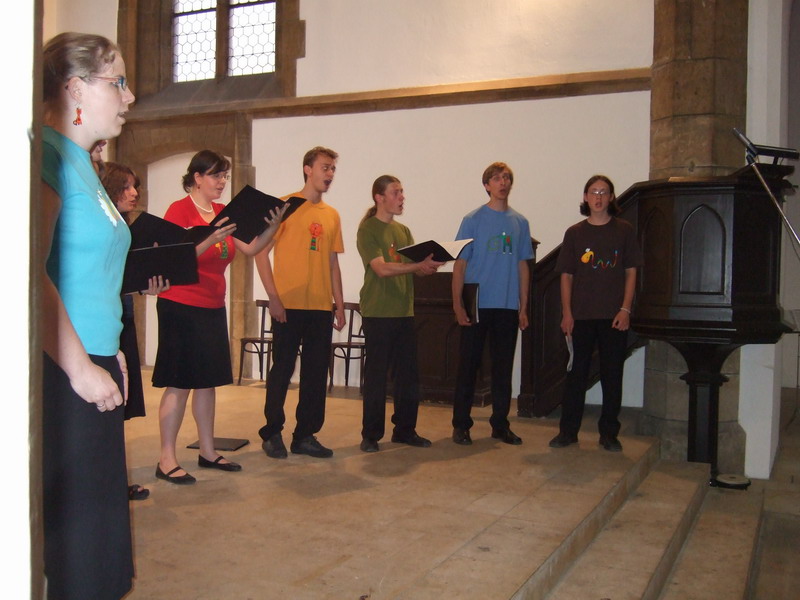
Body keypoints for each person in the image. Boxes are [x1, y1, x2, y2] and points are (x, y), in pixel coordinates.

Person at [41, 31, 146, 599]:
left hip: (93, 359)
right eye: (118, 82)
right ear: (76, 88)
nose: (129, 97)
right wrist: (81, 366)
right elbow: (27, 275)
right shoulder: (48, 156)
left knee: (101, 534)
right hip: (63, 371)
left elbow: (93, 273)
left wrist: (112, 355)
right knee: (79, 541)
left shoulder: (84, 165)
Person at [153, 150, 285, 484]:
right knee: (179, 383)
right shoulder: (179, 210)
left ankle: (208, 451)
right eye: (216, 175)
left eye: (225, 176)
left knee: (207, 382)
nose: (222, 182)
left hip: (212, 306)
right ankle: (166, 459)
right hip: (180, 305)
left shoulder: (223, 212)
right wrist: (209, 237)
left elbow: (250, 248)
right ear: (197, 178)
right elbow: (173, 259)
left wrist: (273, 226)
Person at [255, 146, 345, 460]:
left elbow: (332, 263)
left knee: (316, 374)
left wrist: (339, 303)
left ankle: (305, 435)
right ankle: (272, 433)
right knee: (281, 370)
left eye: (332, 169)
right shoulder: (286, 206)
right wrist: (273, 298)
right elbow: (260, 253)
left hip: (320, 306)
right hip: (288, 304)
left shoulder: (332, 215)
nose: (329, 174)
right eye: (324, 167)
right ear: (308, 169)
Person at [549, 175, 643, 452]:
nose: (598, 197)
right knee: (576, 376)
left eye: (604, 192)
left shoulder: (624, 230)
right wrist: (567, 313)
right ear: (585, 197)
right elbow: (566, 276)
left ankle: (609, 434)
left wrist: (625, 309)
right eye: (593, 192)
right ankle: (568, 432)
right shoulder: (575, 233)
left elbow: (631, 272)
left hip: (614, 316)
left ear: (611, 197)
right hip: (581, 316)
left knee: (612, 376)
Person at [356, 176, 444, 452]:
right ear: (379, 197)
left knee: (408, 376)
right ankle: (371, 435)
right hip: (378, 312)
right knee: (377, 377)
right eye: (396, 192)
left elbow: (414, 268)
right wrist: (417, 266)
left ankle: (405, 430)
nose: (402, 197)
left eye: (402, 192)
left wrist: (428, 265)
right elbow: (381, 268)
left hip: (404, 311)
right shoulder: (368, 229)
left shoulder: (403, 231)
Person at [451, 162, 533, 446]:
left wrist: (524, 306)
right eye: (496, 178)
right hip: (477, 303)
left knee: (502, 369)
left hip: (507, 305)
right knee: (468, 367)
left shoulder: (520, 222)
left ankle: (500, 424)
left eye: (506, 177)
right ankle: (461, 425)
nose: (502, 182)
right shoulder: (472, 220)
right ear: (487, 185)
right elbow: (460, 265)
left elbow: (523, 266)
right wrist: (457, 305)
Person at [101, 161, 153, 500]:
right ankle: (108, 484)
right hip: (105, 321)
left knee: (119, 404)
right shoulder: (104, 227)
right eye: (126, 186)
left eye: (135, 186)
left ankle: (114, 481)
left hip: (123, 316)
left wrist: (148, 282)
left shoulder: (125, 226)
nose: (134, 193)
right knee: (107, 405)